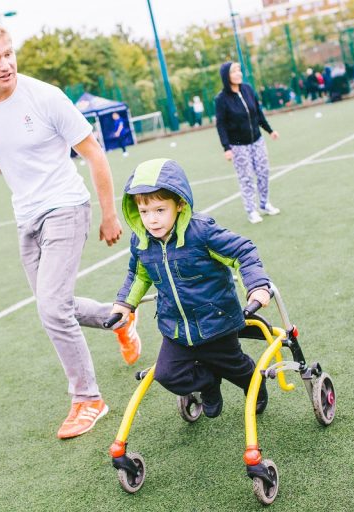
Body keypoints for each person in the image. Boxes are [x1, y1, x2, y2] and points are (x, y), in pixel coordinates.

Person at [0, 21, 140, 440]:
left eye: (8, 53)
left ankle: (88, 399)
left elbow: (94, 153)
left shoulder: (44, 96)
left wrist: (110, 214)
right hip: (27, 219)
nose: (6, 64)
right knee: (53, 304)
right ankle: (118, 320)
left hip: (66, 208)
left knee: (51, 309)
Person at [109, 158, 271, 418]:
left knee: (236, 367)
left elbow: (243, 251)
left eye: (160, 210)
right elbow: (138, 274)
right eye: (144, 212)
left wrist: (256, 286)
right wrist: (124, 304)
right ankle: (208, 384)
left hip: (216, 322)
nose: (151, 220)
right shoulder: (141, 241)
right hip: (176, 327)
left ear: (180, 203)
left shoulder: (201, 233)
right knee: (166, 374)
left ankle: (255, 384)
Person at [214, 61, 280, 224]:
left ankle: (265, 204)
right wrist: (226, 148)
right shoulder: (221, 99)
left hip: (257, 140)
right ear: (226, 76)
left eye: (239, 70)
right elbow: (221, 124)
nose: (238, 73)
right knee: (246, 178)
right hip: (238, 145)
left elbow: (258, 113)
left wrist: (270, 130)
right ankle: (251, 211)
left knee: (263, 172)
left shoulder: (248, 89)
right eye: (234, 71)